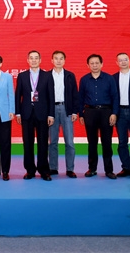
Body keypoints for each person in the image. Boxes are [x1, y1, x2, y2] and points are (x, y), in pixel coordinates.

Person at [15, 50, 55, 181]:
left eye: (36, 58)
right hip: (26, 114)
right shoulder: (22, 76)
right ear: (27, 60)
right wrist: (18, 113)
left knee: (43, 143)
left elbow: (51, 96)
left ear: (40, 60)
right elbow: (18, 95)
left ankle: (44, 170)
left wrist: (51, 114)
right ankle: (30, 170)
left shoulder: (47, 76)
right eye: (31, 58)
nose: (33, 60)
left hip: (43, 114)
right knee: (28, 143)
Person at [78, 54, 119, 179]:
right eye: (92, 63)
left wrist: (114, 113)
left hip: (106, 112)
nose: (94, 65)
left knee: (107, 142)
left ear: (101, 64)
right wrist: (81, 114)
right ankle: (92, 169)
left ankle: (109, 170)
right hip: (90, 112)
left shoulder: (109, 79)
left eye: (97, 63)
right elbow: (80, 98)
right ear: (88, 65)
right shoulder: (84, 79)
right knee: (92, 142)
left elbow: (115, 97)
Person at [49, 50, 79, 178]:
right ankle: (53, 168)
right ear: (52, 60)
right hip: (52, 111)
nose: (58, 61)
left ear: (64, 61)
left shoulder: (70, 75)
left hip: (67, 110)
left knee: (69, 142)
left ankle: (70, 169)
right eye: (56, 58)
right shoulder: (47, 76)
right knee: (52, 141)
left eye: (61, 58)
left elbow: (75, 94)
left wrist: (74, 111)